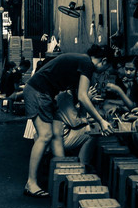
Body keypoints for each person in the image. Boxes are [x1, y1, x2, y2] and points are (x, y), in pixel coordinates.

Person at [22, 44, 114, 197]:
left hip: (44, 93)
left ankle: (63, 177)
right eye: (106, 68)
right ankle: (31, 183)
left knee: (53, 134)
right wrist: (101, 121)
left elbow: (81, 98)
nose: (104, 72)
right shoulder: (87, 63)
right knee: (45, 136)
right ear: (104, 61)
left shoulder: (81, 61)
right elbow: (83, 97)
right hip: (39, 92)